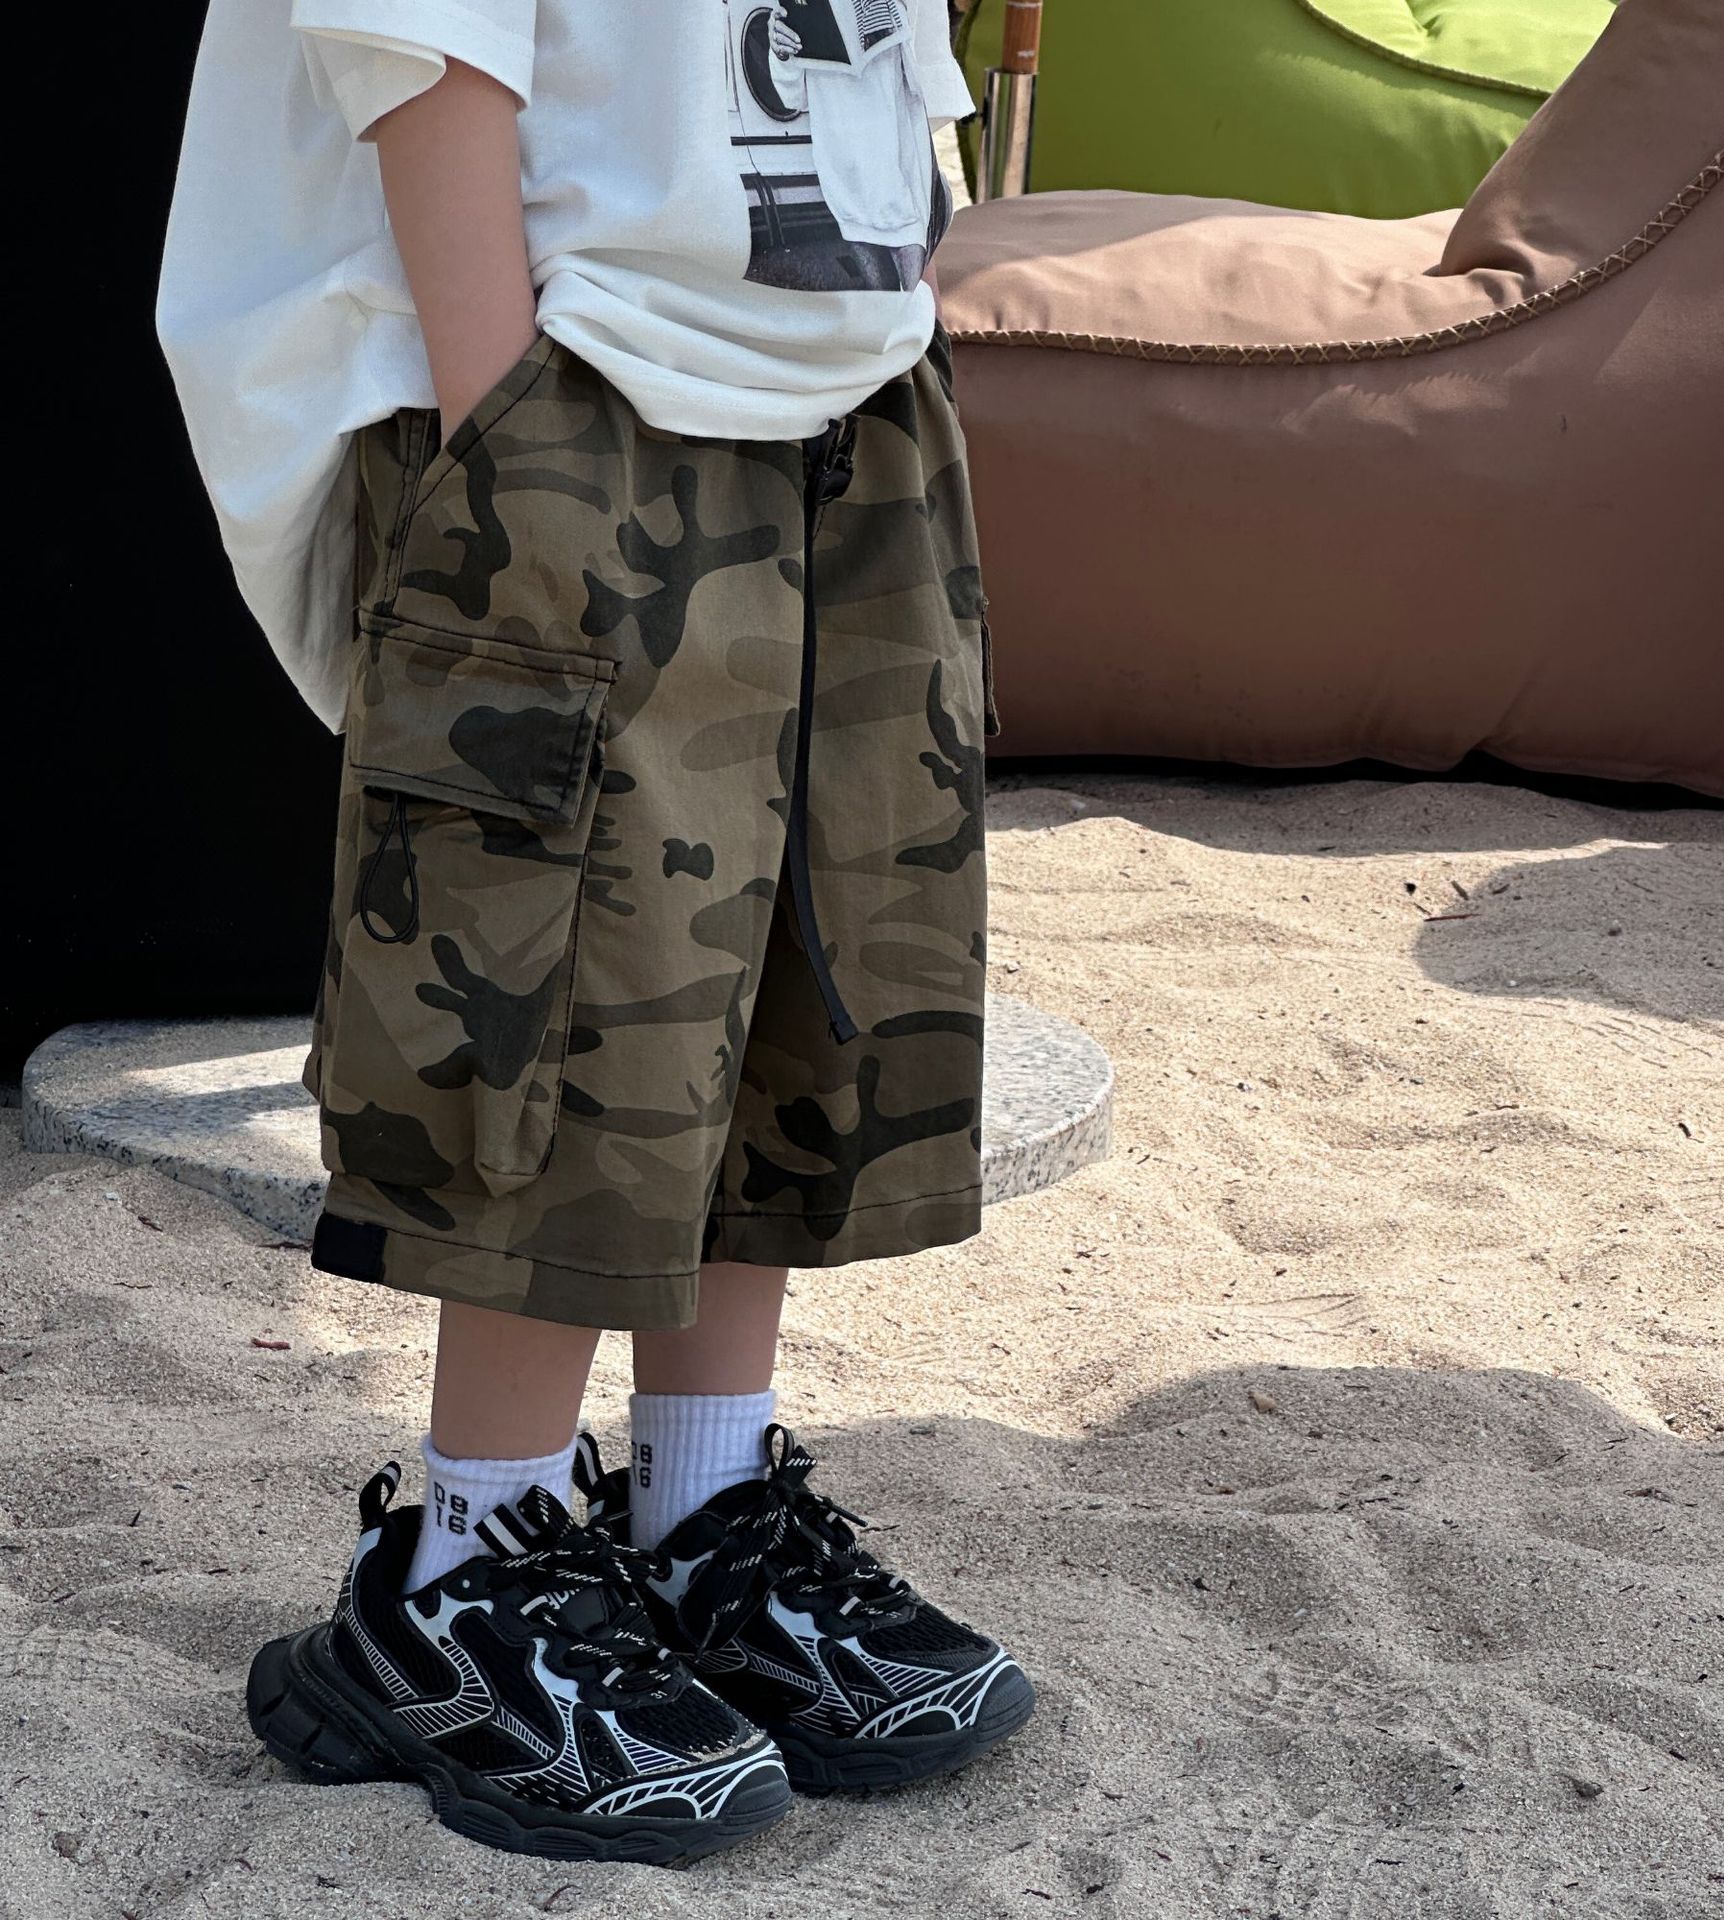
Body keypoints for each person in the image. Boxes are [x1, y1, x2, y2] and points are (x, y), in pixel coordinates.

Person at [158, 0, 1020, 1864]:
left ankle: (699, 1519)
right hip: (585, 376)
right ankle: (464, 1569)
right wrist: (506, 421)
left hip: (840, 375)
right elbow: (420, 40)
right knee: (570, 992)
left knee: (786, 969)